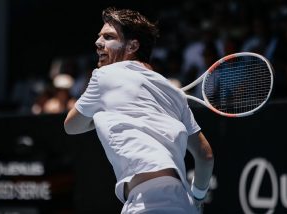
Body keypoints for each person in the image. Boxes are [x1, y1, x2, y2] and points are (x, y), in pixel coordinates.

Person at [64, 7, 214, 214]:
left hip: (148, 203)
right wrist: (198, 198)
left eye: (108, 37)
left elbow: (71, 126)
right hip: (182, 202)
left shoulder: (104, 75)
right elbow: (205, 156)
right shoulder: (175, 94)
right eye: (99, 36)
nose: (98, 42)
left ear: (133, 45)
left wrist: (101, 111)